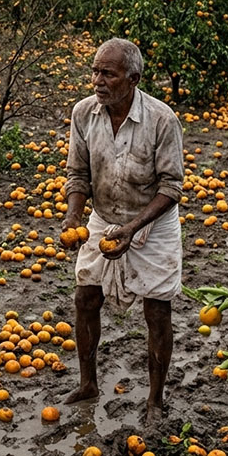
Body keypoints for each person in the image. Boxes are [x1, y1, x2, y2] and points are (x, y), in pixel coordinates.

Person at [59, 37, 184, 427]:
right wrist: (74, 215)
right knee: (85, 297)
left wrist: (132, 228)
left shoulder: (162, 120)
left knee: (157, 309)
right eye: (95, 71)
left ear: (133, 79)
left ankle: (155, 399)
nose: (98, 81)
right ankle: (88, 383)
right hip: (103, 218)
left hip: (152, 224)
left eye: (108, 74)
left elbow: (171, 187)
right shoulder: (84, 113)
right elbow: (78, 173)